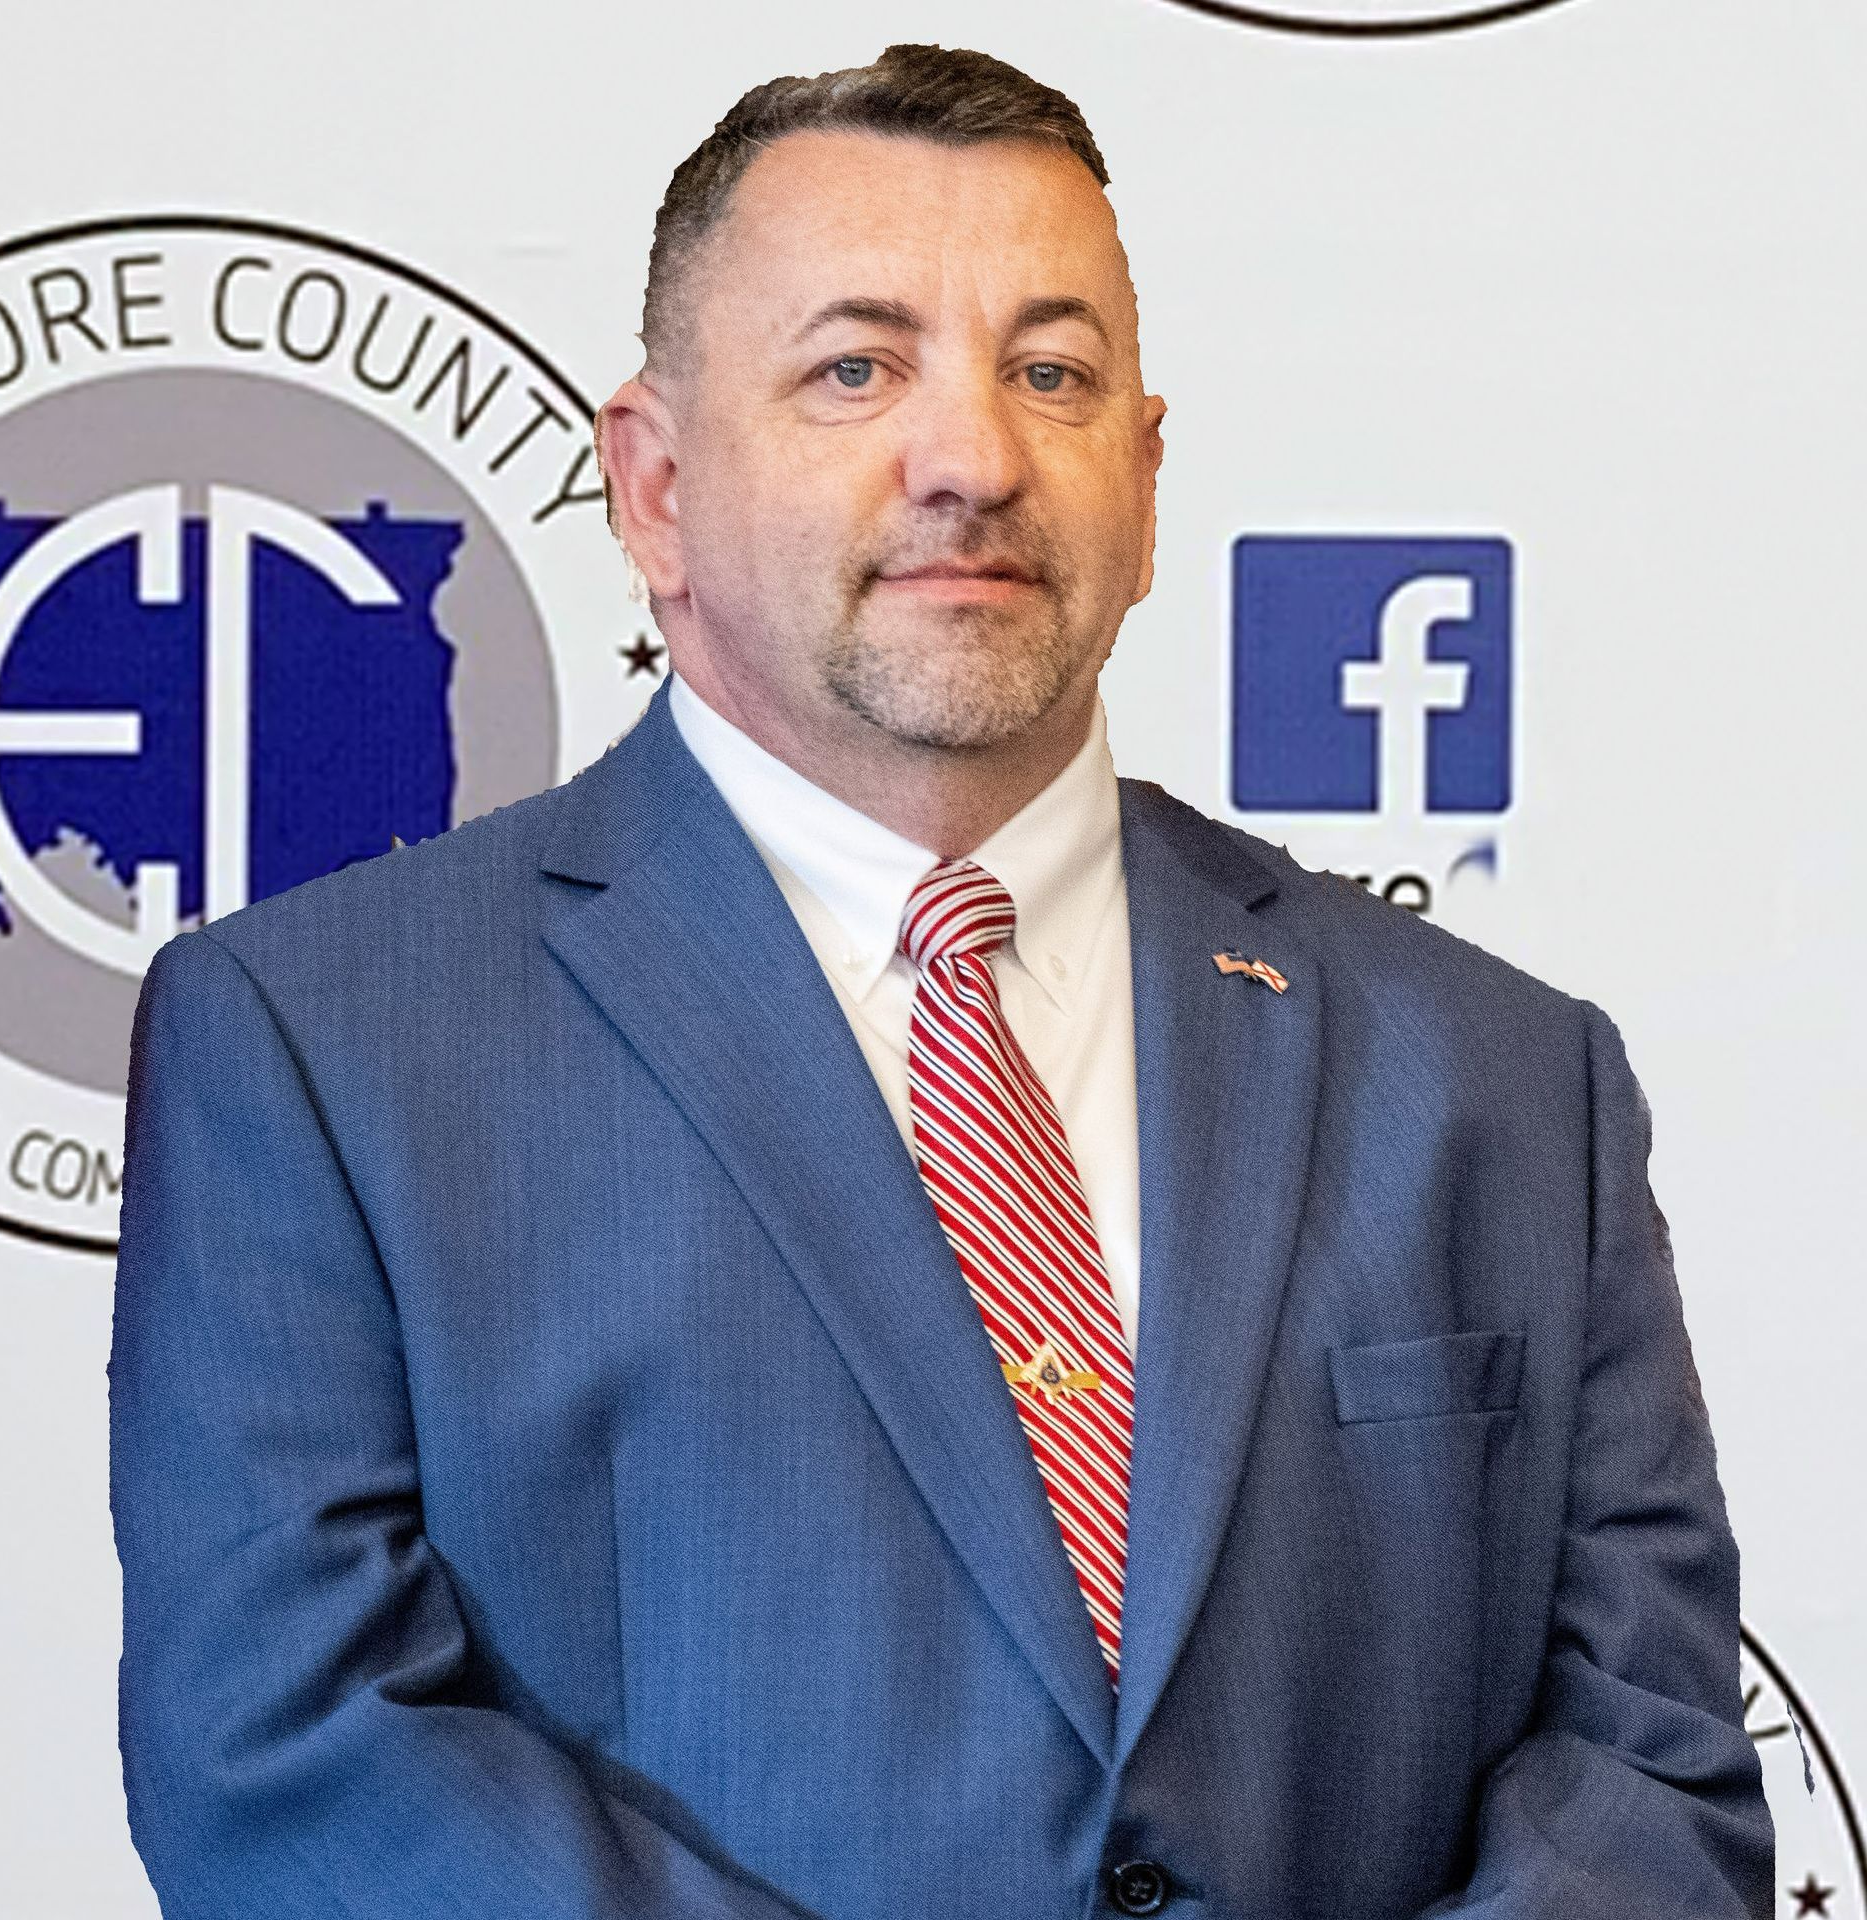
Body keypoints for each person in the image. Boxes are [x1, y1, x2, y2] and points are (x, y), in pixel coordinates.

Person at [109, 42, 1775, 1920]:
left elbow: (1644, 1756)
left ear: (1144, 482)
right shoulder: (321, 1049)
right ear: (652, 487)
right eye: (857, 367)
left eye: (1051, 373)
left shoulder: (1500, 1076)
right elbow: (296, 1765)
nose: (975, 456)